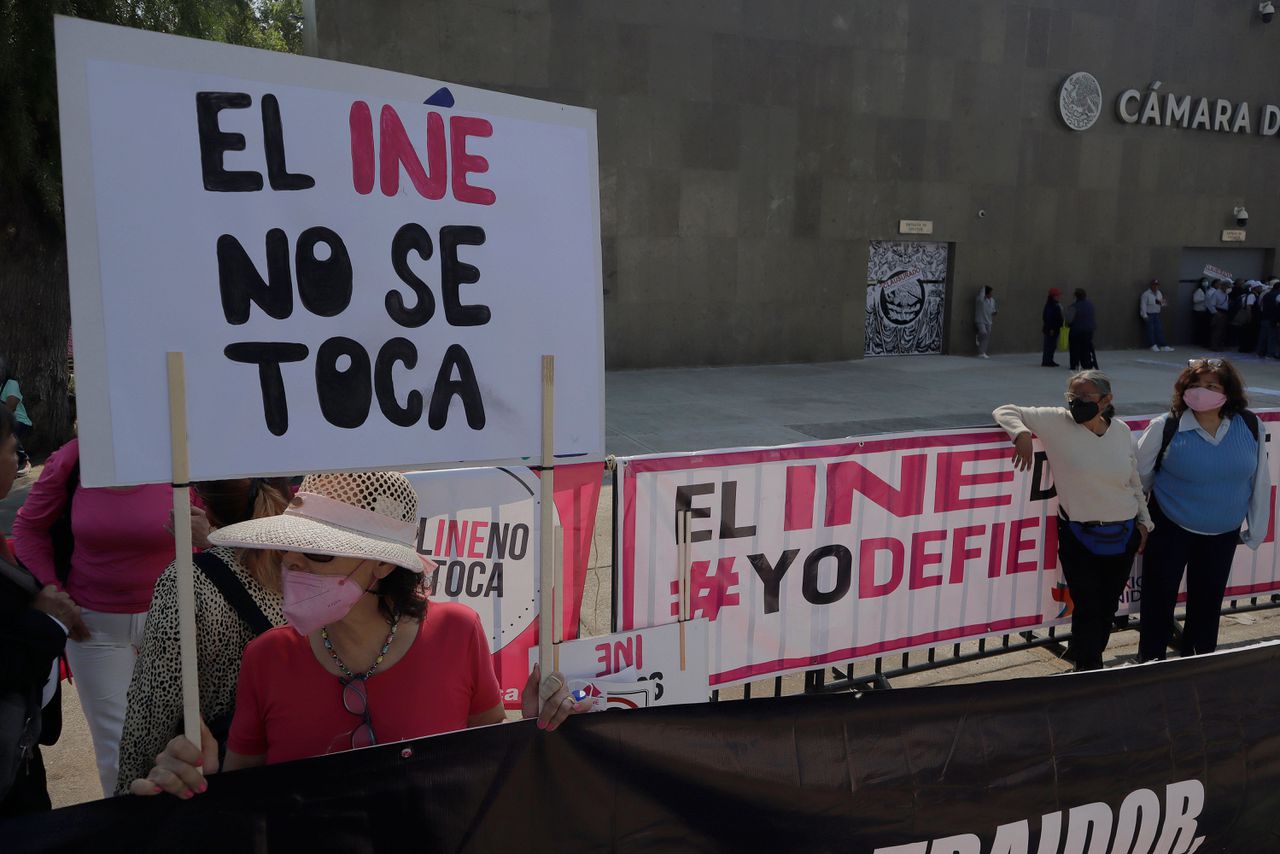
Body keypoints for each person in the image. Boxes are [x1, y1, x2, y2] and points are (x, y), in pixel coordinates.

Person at [129, 471, 589, 799]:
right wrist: (201, 783)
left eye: (319, 553)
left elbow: (490, 759)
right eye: (289, 547)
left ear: (384, 564)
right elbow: (243, 798)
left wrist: (535, 728)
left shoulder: (458, 631)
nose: (293, 564)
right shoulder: (265, 658)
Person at [11, 440, 189, 797]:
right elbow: (28, 529)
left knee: (183, 741)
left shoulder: (179, 452)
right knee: (118, 751)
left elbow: (218, 527)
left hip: (174, 621)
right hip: (94, 629)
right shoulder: (74, 459)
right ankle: (129, 833)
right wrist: (56, 594)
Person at [113, 477, 293, 795]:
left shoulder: (187, 582)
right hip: (293, 763)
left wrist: (128, 792)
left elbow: (155, 705)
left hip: (214, 773)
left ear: (202, 500)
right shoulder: (310, 562)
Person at [994, 371, 1152, 671]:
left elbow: (1133, 481)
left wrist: (1145, 522)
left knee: (1107, 607)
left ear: (1107, 400)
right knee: (1088, 606)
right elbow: (1006, 410)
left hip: (1124, 532)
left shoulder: (1120, 430)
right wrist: (1021, 433)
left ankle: (1088, 662)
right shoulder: (1057, 421)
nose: (1076, 403)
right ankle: (1089, 669)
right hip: (1079, 534)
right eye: (1072, 397)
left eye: (1085, 397)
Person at [1135, 358, 1270, 661]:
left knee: (1207, 605)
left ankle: (1197, 664)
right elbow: (1139, 478)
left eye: (1211, 386)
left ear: (1227, 392)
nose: (1201, 392)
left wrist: (1255, 530)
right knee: (1158, 602)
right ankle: (1149, 665)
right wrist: (1141, 522)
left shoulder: (1250, 425)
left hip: (1223, 533)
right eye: (1194, 385)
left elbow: (1259, 479)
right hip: (1170, 527)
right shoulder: (1166, 426)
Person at [0, 405, 89, 817]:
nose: (20, 461)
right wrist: (49, 617)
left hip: (22, 748)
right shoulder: (71, 462)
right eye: (14, 450)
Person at [0, 357, 33, 475]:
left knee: (6, 428)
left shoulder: (11, 384)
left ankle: (24, 461)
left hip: (19, 421)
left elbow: (11, 405)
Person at [1139, 279, 1173, 352]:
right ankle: (1152, 345)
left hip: (1157, 313)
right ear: (1151, 285)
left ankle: (1163, 345)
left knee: (1159, 330)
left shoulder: (1159, 293)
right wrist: (1144, 315)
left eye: (1157, 285)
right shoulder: (1146, 294)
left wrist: (1163, 303)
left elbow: (1161, 303)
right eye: (1154, 285)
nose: (1156, 287)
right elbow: (1143, 305)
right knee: (1150, 330)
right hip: (1149, 314)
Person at [1067, 288, 1097, 370]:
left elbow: (1069, 319)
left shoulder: (1074, 306)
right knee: (1086, 348)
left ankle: (1074, 364)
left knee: (1074, 348)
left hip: (1076, 330)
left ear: (1075, 296)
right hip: (1089, 330)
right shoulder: (1090, 305)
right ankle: (1086, 364)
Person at [1041, 288, 1064, 367]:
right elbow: (1048, 317)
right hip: (1051, 329)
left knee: (1052, 345)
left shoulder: (1055, 304)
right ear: (1053, 296)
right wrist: (1051, 328)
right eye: (1057, 295)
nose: (1059, 297)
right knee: (1049, 345)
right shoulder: (1051, 305)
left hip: (1055, 328)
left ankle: (1049, 360)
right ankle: (1047, 361)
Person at [1206, 280, 1230, 351]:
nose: (1229, 288)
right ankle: (1214, 346)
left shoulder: (1226, 294)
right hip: (1218, 312)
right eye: (1228, 287)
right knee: (1217, 331)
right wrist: (1216, 313)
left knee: (1222, 331)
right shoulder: (1216, 293)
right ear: (1223, 286)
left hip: (1225, 312)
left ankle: (1220, 345)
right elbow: (1211, 305)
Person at [974, 286, 997, 359]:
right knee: (983, 333)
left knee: (987, 336)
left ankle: (982, 353)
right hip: (980, 320)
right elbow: (981, 296)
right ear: (985, 293)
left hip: (989, 321)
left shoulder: (992, 300)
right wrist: (984, 287)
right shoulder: (980, 299)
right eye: (990, 293)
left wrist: (994, 312)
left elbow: (992, 310)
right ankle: (978, 337)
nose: (991, 294)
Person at [1260, 279, 1280, 360]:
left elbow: (1261, 305)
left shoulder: (1266, 294)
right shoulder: (1278, 295)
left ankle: (1260, 352)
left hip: (1264, 317)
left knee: (1263, 336)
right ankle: (1270, 354)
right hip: (1274, 319)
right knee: (1273, 337)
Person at [1191, 278, 1210, 348]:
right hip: (1199, 311)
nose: (1206, 283)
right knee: (1199, 327)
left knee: (1203, 328)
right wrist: (1204, 299)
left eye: (1206, 281)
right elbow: (1195, 300)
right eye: (1204, 281)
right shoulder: (1199, 290)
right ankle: (1197, 342)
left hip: (1204, 311)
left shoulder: (1206, 290)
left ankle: (1201, 341)